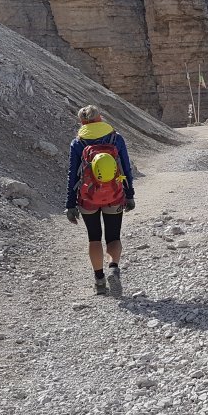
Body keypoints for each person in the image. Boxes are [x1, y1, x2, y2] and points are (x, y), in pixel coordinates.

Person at [65, 105, 135, 294]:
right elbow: (126, 168)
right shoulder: (115, 138)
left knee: (94, 238)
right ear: (100, 118)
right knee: (113, 237)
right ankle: (113, 269)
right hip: (114, 195)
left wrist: (70, 205)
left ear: (82, 122)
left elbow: (73, 175)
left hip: (88, 198)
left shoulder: (78, 143)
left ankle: (100, 281)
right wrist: (129, 195)